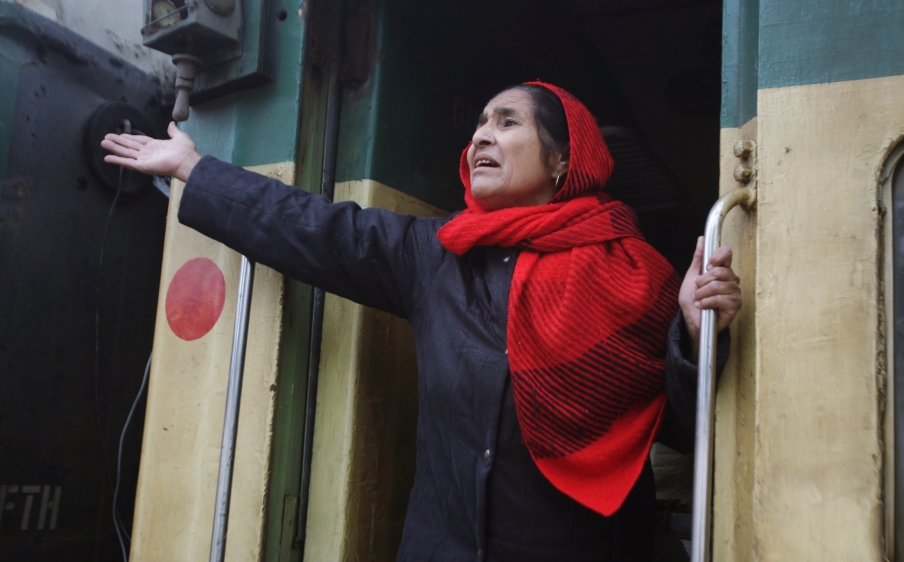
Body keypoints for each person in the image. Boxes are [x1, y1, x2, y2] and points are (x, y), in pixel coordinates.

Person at [103, 82, 741, 561]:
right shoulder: (436, 255)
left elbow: (683, 431)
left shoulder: (640, 277)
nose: (481, 137)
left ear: (561, 161)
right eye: (478, 126)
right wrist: (193, 168)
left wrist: (691, 333)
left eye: (506, 122)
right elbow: (313, 227)